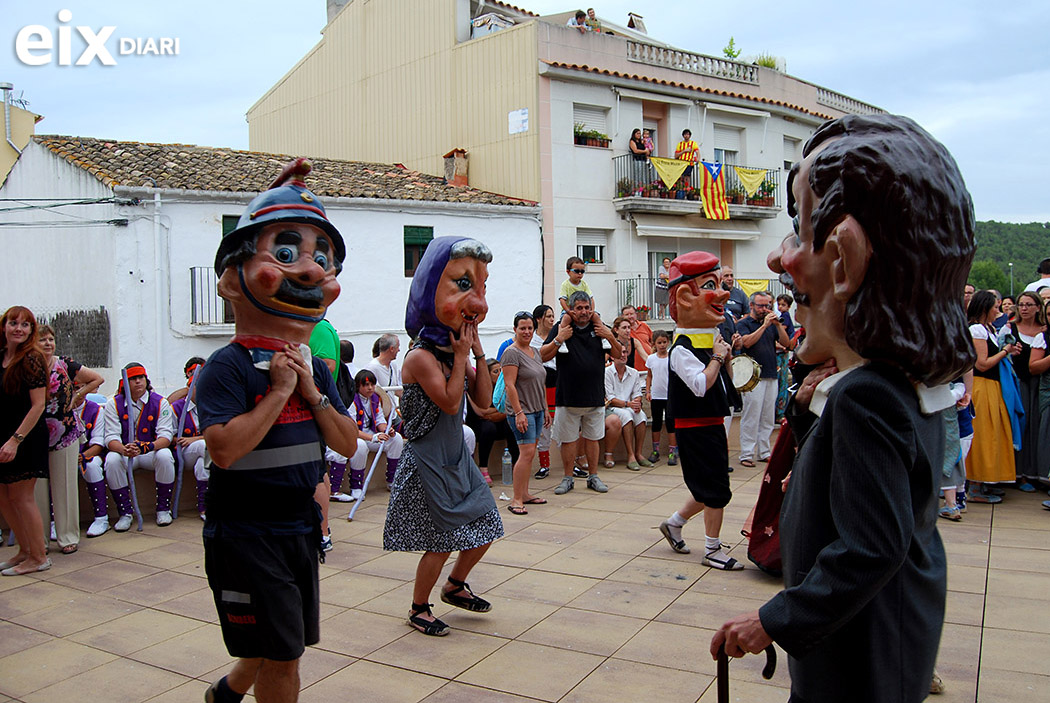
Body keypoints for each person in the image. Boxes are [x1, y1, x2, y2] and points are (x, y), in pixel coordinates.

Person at [712, 114, 976, 703]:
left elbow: (869, 547)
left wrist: (772, 620)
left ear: (845, 258)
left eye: (799, 232)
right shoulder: (905, 385)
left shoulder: (867, 395)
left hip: (856, 661)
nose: (780, 261)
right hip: (886, 642)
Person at [197, 158, 358, 703]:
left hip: (298, 529)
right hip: (247, 533)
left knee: (277, 641)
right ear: (232, 280)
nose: (312, 273)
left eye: (322, 259)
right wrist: (279, 393)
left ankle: (225, 692)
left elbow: (346, 442)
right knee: (284, 654)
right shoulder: (227, 366)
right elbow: (222, 450)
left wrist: (310, 391)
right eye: (286, 254)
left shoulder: (313, 365)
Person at [384, 236, 503, 638]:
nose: (479, 304)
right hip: (429, 460)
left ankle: (455, 585)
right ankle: (419, 607)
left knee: (487, 524)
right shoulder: (420, 356)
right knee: (440, 540)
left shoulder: (455, 352)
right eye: (465, 285)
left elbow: (483, 402)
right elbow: (452, 403)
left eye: (481, 288)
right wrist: (464, 358)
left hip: (455, 456)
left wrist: (479, 355)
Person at [656, 252, 742, 569]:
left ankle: (675, 523)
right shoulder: (681, 348)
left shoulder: (706, 339)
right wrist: (718, 358)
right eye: (710, 284)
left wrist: (724, 358)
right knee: (716, 488)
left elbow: (720, 383)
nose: (722, 291)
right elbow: (699, 385)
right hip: (696, 427)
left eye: (720, 283)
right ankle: (712, 550)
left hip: (710, 423)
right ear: (685, 298)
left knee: (708, 485)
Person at [541, 290, 622, 495]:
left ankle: (593, 477)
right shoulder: (562, 328)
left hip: (594, 395)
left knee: (592, 439)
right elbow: (542, 356)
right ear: (571, 309)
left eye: (587, 307)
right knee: (568, 440)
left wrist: (609, 336)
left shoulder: (600, 328)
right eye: (579, 308)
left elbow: (619, 353)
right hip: (568, 396)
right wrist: (559, 339)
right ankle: (568, 479)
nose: (584, 312)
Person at [35, 325, 103, 554]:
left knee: (64, 486)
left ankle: (67, 537)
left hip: (64, 433)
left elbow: (96, 379)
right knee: (37, 491)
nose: (47, 343)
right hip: (34, 436)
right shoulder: (26, 366)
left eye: (51, 339)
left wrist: (77, 396)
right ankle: (39, 541)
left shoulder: (64, 364)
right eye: (42, 339)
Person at [0, 306, 50, 575]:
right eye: (13, 323)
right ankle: (24, 550)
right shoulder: (2, 357)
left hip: (25, 437)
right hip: (4, 435)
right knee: (3, 497)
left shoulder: (31, 359)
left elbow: (38, 405)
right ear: (4, 326)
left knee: (21, 497)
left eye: (25, 324)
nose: (18, 328)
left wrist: (15, 440)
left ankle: (39, 557)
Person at [103, 363, 178, 529]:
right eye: (133, 379)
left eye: (141, 378)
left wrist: (147, 447)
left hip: (149, 452)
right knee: (111, 460)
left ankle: (163, 509)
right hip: (126, 452)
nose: (138, 382)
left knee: (165, 456)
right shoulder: (113, 404)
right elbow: (110, 437)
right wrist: (123, 449)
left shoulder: (160, 402)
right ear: (125, 382)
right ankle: (125, 513)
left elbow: (165, 436)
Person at [966, 290, 1021, 504]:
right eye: (994, 308)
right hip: (982, 386)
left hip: (991, 386)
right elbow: (982, 363)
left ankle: (983, 482)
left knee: (991, 434)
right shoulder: (977, 329)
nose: (997, 311)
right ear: (984, 309)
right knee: (983, 435)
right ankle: (976, 486)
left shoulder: (987, 329)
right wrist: (1005, 351)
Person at [501, 311, 550, 515]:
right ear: (515, 330)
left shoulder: (535, 352)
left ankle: (526, 493)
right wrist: (519, 413)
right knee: (526, 453)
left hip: (537, 410)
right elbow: (510, 385)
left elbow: (540, 382)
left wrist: (545, 409)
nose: (527, 331)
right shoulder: (511, 353)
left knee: (530, 454)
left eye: (530, 328)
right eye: (522, 328)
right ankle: (516, 499)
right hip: (522, 411)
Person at [735, 291, 790, 467]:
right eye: (761, 306)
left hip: (771, 373)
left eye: (767, 305)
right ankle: (747, 453)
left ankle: (764, 451)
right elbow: (747, 343)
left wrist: (778, 326)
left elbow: (787, 343)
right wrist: (765, 326)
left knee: (767, 416)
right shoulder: (744, 323)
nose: (765, 309)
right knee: (751, 415)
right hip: (752, 377)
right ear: (751, 306)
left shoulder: (771, 324)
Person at [1001, 291, 1047, 491]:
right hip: (1018, 381)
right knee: (1021, 424)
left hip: (1040, 383)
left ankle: (1037, 472)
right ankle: (1019, 474)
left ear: (1038, 307)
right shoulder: (1010, 328)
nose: (1024, 308)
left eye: (1029, 304)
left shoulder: (1044, 331)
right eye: (1021, 305)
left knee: (1038, 427)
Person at [345, 369, 404, 496]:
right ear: (358, 386)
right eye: (366, 385)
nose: (370, 388)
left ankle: (392, 480)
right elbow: (352, 429)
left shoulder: (375, 399)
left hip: (372, 435)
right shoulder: (352, 401)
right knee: (360, 446)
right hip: (357, 436)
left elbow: (380, 421)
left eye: (372, 384)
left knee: (397, 439)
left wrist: (388, 430)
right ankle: (356, 487)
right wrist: (372, 437)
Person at [466, 359, 519, 486]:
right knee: (488, 428)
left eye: (501, 370)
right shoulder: (478, 390)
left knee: (511, 424)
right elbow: (480, 411)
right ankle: (483, 468)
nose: (500, 374)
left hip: (498, 423)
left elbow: (507, 411)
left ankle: (516, 465)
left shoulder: (504, 388)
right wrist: (494, 411)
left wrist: (490, 412)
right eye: (496, 371)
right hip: (479, 425)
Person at [603, 346, 650, 470]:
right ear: (612, 356)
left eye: (625, 352)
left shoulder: (633, 372)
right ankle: (630, 455)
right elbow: (610, 398)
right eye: (620, 352)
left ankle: (638, 453)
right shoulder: (607, 372)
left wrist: (637, 403)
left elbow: (637, 393)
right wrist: (629, 404)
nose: (623, 355)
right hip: (612, 408)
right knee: (627, 416)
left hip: (628, 406)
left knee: (641, 416)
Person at [171, 370, 208, 521]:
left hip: (204, 449)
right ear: (190, 387)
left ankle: (205, 507)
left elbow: (217, 431)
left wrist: (195, 439)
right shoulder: (177, 407)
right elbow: (168, 436)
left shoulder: (209, 406)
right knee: (204, 447)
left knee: (202, 464)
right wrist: (182, 440)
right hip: (183, 452)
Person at [77, 393, 111, 537]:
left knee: (92, 465)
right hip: (62, 456)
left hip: (87, 455)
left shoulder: (95, 410)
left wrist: (83, 456)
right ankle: (55, 520)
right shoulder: (57, 407)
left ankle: (101, 518)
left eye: (79, 388)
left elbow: (98, 444)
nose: (75, 392)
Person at [530, 304, 557, 479]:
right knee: (544, 427)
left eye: (552, 316)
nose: (551, 320)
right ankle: (544, 465)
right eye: (548, 316)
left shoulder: (558, 336)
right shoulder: (532, 341)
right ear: (539, 319)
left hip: (558, 384)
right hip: (540, 387)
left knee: (562, 424)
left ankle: (575, 462)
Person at [646, 329, 676, 465]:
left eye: (664, 342)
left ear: (668, 342)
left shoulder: (672, 358)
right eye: (659, 342)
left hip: (670, 396)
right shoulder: (651, 358)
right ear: (654, 344)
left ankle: (672, 451)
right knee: (656, 423)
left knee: (671, 424)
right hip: (656, 396)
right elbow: (649, 375)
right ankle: (655, 450)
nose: (662, 345)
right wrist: (648, 391)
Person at [774, 294, 797, 421]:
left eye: (783, 305)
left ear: (788, 307)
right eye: (779, 304)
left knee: (782, 381)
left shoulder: (784, 318)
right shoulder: (781, 317)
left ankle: (780, 411)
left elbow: (781, 333)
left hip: (782, 353)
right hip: (780, 352)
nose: (780, 307)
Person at [621, 305, 653, 371]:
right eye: (627, 314)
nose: (630, 317)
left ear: (636, 314)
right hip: (634, 369)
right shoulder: (622, 331)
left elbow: (653, 342)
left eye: (631, 314)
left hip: (649, 366)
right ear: (622, 316)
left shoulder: (644, 326)